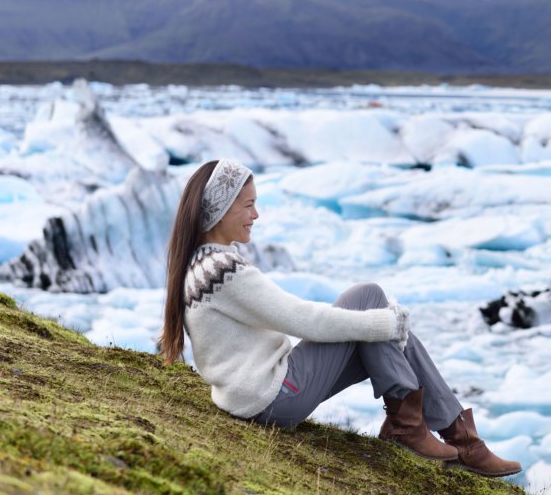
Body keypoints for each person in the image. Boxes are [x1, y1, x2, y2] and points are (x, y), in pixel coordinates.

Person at [158, 159, 520, 477]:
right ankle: (441, 434)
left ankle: (438, 433)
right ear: (221, 209)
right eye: (249, 205)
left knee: (378, 318)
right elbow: (301, 319)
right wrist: (385, 324)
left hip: (256, 395)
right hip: (273, 397)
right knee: (369, 298)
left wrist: (386, 329)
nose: (256, 215)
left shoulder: (202, 263)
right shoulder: (221, 270)